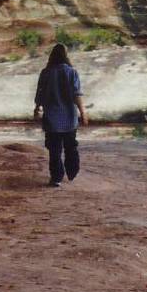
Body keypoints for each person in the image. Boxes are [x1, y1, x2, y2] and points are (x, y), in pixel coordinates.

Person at [32, 43, 87, 186]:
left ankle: (56, 178)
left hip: (51, 118)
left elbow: (40, 93)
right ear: (65, 55)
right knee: (71, 146)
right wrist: (83, 112)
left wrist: (37, 108)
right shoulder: (71, 72)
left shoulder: (46, 72)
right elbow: (77, 94)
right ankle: (72, 171)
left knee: (54, 150)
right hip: (69, 117)